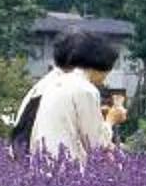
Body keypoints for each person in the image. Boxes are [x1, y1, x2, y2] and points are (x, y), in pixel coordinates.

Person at [16, 30, 121, 162]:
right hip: (66, 169)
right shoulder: (85, 89)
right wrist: (110, 121)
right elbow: (95, 144)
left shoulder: (43, 86)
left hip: (36, 165)